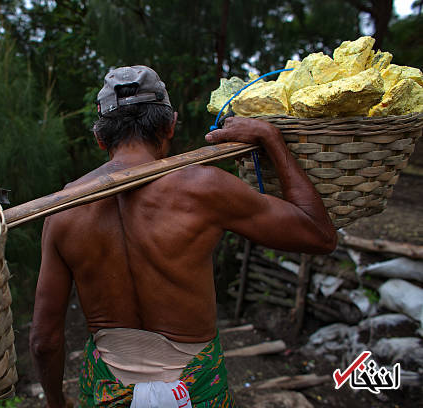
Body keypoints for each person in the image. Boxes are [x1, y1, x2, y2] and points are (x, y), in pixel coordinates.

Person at [29, 65, 337, 408]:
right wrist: (272, 139)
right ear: (170, 125)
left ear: (100, 139)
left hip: (107, 393)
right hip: (197, 390)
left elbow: (44, 340)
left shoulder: (61, 210)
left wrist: (56, 402)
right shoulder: (204, 188)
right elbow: (319, 234)